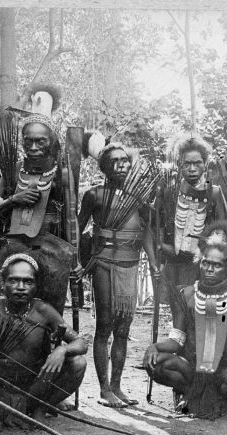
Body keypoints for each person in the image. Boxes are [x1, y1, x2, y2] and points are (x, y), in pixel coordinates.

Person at [0, 254, 87, 432]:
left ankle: (39, 409)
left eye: (28, 282)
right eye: (14, 280)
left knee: (78, 363)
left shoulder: (44, 311)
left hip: (34, 387)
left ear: (36, 285)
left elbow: (80, 343)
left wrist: (62, 350)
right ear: (3, 283)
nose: (21, 287)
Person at [143, 224, 227, 419]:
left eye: (217, 265)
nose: (210, 269)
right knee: (156, 363)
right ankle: (191, 394)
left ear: (226, 267)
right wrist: (154, 347)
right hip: (193, 368)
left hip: (224, 370)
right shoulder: (188, 294)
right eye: (206, 263)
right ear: (200, 262)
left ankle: (215, 397)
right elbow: (177, 339)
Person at [78, 142, 158, 407]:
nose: (122, 165)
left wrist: (155, 264)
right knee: (105, 327)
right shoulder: (94, 195)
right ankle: (104, 389)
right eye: (115, 161)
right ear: (104, 166)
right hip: (103, 264)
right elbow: (77, 231)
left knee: (123, 329)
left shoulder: (139, 198)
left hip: (130, 263)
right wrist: (79, 263)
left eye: (125, 160)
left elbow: (146, 232)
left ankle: (117, 386)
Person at [0, 85, 73, 313]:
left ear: (51, 142)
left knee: (48, 315)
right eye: (28, 141)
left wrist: (75, 261)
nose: (33, 147)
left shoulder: (61, 175)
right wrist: (14, 199)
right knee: (15, 311)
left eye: (40, 141)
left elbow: (72, 220)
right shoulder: (13, 171)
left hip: (52, 257)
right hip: (16, 252)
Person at [159, 134, 226, 305]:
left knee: (195, 308)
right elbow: (157, 224)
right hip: (173, 261)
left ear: (205, 165)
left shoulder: (215, 192)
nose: (192, 168)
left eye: (197, 163)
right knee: (176, 308)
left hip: (201, 264)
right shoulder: (170, 191)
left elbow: (222, 230)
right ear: (180, 166)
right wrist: (162, 247)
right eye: (187, 164)